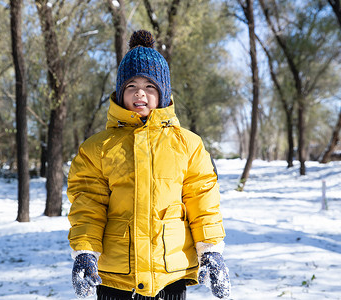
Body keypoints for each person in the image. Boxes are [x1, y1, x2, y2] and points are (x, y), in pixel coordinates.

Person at [67, 29, 231, 300]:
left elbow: (202, 200)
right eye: (131, 86)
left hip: (169, 275)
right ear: (121, 92)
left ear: (163, 91)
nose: (139, 94)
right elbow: (88, 204)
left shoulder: (187, 144)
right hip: (115, 277)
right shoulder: (97, 148)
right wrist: (85, 252)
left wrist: (210, 250)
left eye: (149, 86)